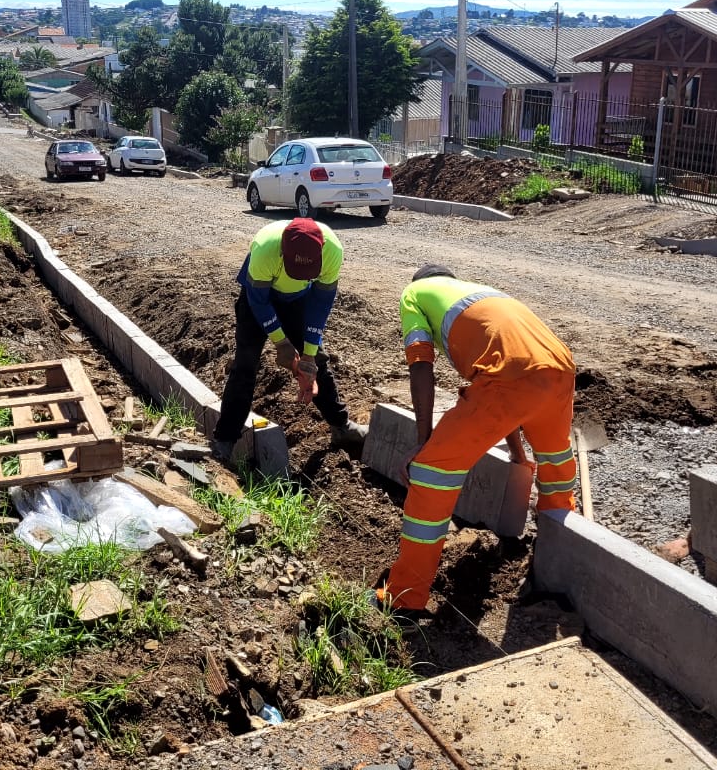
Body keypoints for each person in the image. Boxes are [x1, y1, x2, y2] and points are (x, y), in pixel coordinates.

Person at [376, 264, 577, 613]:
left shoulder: (414, 294)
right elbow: (507, 382)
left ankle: (404, 599)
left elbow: (421, 366)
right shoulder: (479, 294)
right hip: (560, 366)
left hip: (509, 375)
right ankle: (558, 565)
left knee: (429, 472)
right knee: (556, 465)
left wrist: (424, 443)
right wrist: (518, 456)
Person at [210, 218, 367, 457]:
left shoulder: (333, 251)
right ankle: (224, 440)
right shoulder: (265, 248)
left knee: (317, 362)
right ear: (283, 252)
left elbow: (320, 304)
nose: (300, 277)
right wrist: (281, 342)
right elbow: (259, 302)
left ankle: (341, 427)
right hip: (259, 297)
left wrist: (309, 355)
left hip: (299, 299)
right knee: (245, 365)